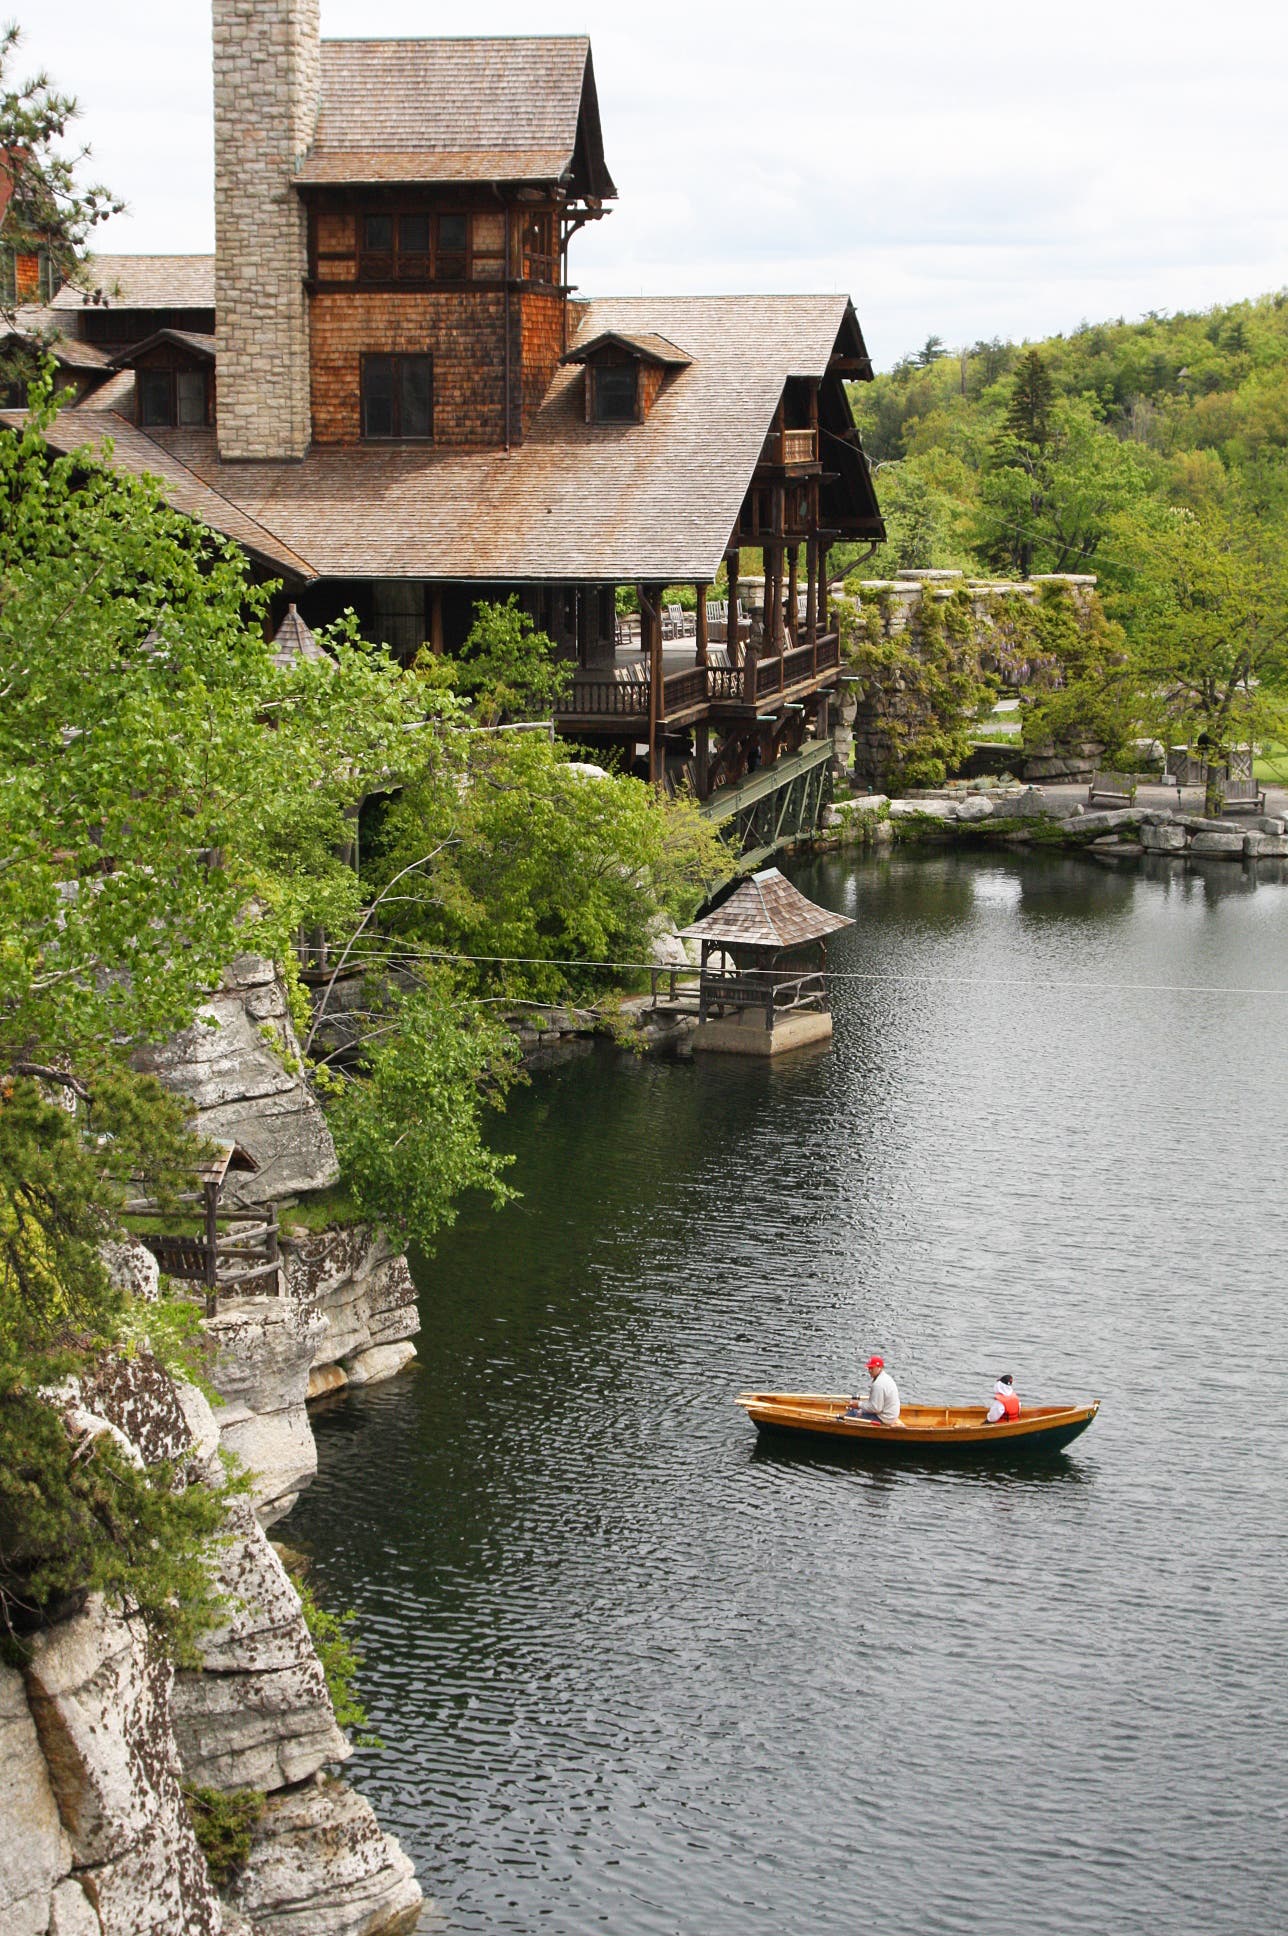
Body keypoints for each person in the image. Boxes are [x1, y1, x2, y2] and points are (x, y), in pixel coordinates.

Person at [844, 1354, 901, 1425]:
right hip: (891, 1415)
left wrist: (858, 1405)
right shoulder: (886, 1377)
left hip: (885, 1418)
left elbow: (876, 1408)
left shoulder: (878, 1384)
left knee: (851, 1416)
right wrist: (859, 1405)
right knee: (855, 1411)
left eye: (872, 1368)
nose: (870, 1370)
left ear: (879, 1367)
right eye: (869, 1368)